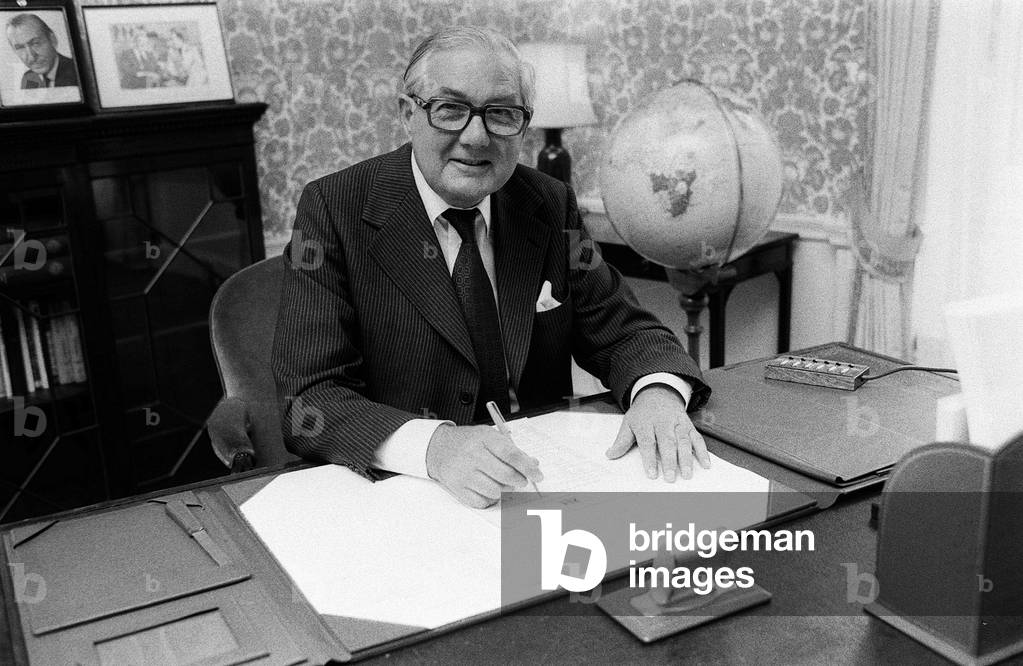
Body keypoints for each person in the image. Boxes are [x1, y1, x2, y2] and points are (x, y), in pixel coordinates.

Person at [272, 26, 712, 509]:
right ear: (407, 114)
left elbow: (625, 330)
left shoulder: (546, 202)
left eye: (501, 113)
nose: (476, 136)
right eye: (450, 109)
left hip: (542, 484)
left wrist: (657, 392)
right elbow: (309, 399)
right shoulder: (334, 208)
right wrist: (435, 446)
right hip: (405, 495)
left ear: (522, 126)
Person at [5, 13, 79, 89]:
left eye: (35, 43)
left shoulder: (78, 72)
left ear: (53, 40)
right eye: (20, 47)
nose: (31, 57)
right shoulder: (28, 78)